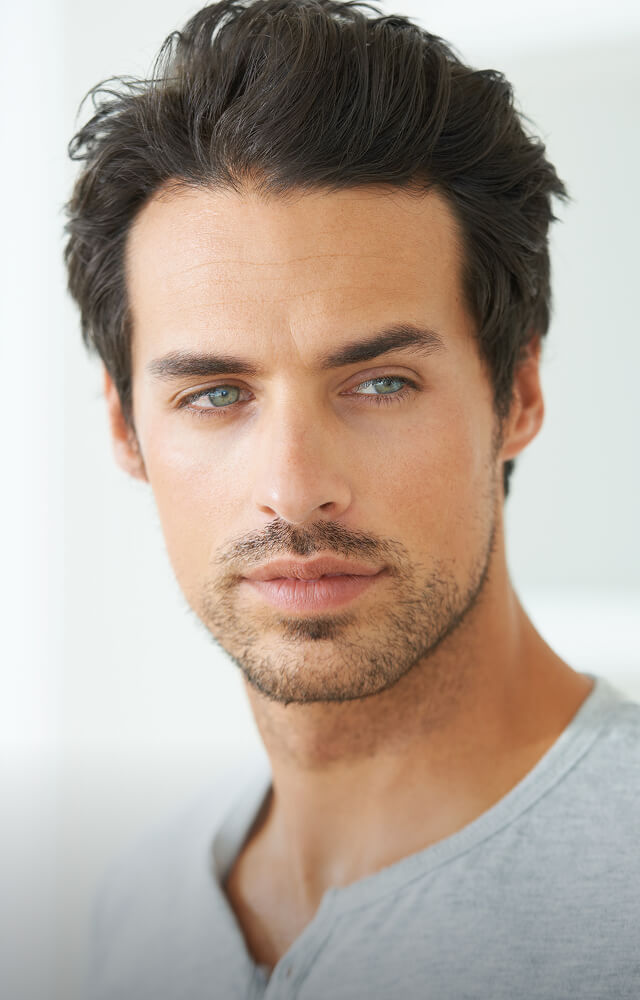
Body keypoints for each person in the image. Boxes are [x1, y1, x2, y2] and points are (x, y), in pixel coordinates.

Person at [64, 1, 640, 997]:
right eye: (214, 394)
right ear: (126, 429)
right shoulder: (137, 910)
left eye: (378, 383)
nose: (294, 490)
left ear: (519, 395)